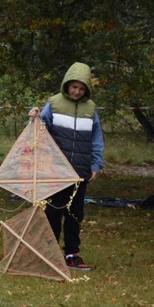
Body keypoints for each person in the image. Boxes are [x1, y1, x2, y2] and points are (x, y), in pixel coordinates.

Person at [28, 62, 104, 271]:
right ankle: (49, 252)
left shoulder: (91, 109)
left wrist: (96, 164)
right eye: (74, 87)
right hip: (55, 170)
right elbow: (39, 131)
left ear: (87, 89)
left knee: (74, 213)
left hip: (80, 172)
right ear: (67, 85)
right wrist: (33, 119)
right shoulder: (53, 104)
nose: (77, 92)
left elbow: (96, 139)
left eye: (81, 88)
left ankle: (72, 253)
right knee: (53, 211)